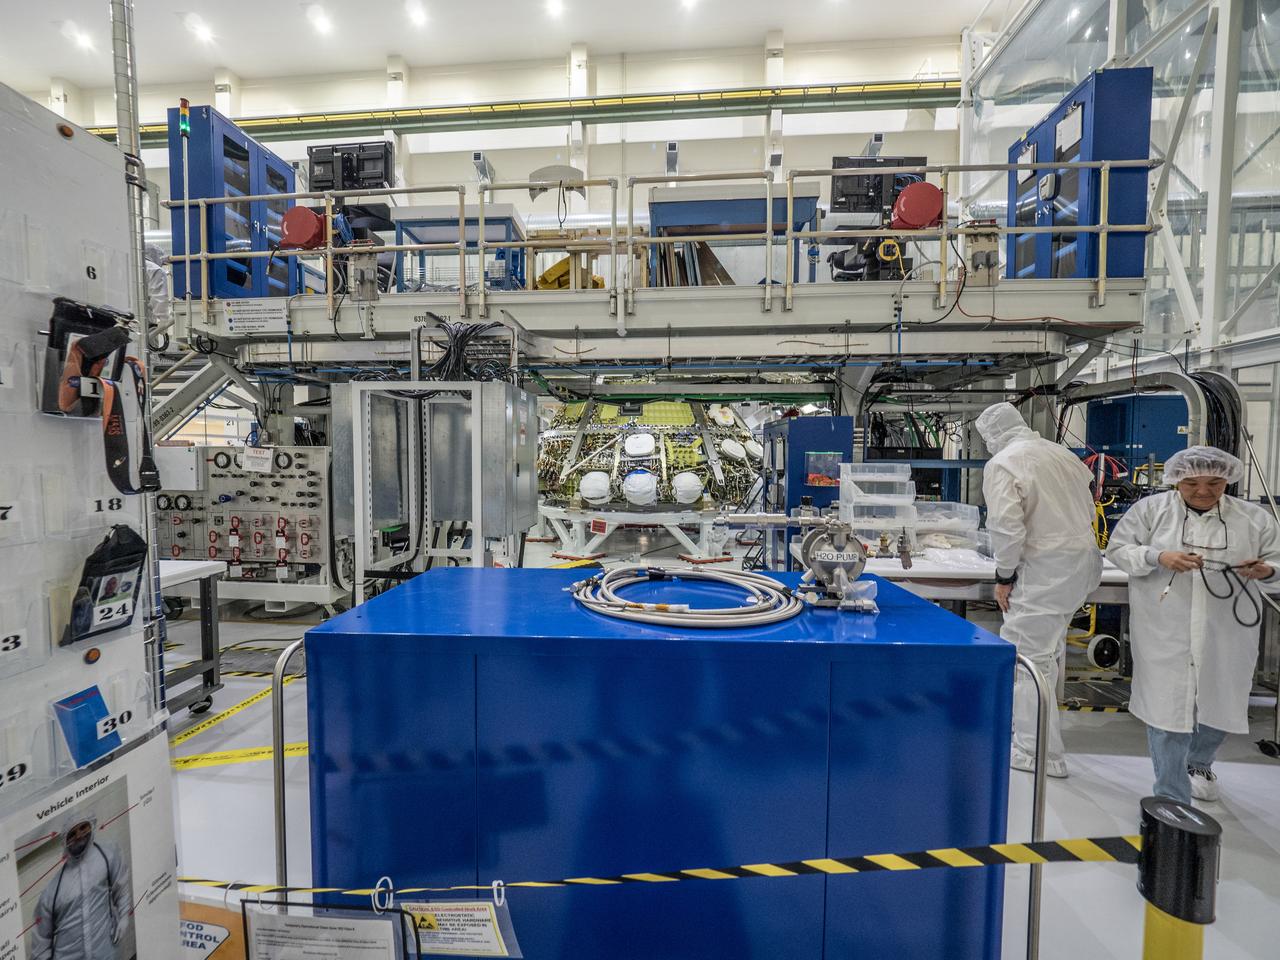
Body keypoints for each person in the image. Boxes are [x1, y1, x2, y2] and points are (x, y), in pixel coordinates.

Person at [1106, 446, 1280, 804]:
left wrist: (1266, 570)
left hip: (1227, 629)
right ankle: (1171, 795)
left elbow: (1277, 562)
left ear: (1227, 480)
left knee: (1221, 700)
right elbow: (1118, 549)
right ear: (1175, 481)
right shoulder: (1151, 511)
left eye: (1214, 482)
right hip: (1166, 628)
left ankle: (1199, 762)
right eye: (1192, 483)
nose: (1203, 491)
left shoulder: (1253, 518)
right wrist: (1158, 556)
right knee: (1167, 706)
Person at [975, 402, 1102, 778]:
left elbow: (1007, 527)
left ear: (991, 436)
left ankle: (1038, 753)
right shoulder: (1060, 454)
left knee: (1027, 659)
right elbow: (1088, 507)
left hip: (1045, 570)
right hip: (1080, 565)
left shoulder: (1004, 463)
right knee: (1048, 654)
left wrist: (1004, 575)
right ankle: (1035, 735)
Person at [29, 815, 131, 960]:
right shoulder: (53, 890)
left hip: (106, 952)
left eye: (83, 827)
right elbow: (41, 940)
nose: (79, 835)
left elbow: (120, 887)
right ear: (65, 840)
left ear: (91, 825)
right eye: (72, 833)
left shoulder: (107, 856)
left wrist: (123, 916)